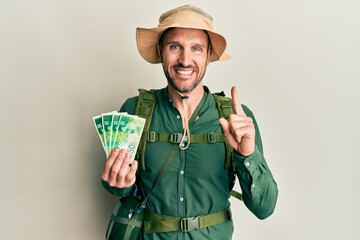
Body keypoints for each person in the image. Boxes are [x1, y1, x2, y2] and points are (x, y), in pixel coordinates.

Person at [101, 4, 278, 240]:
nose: (185, 60)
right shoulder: (134, 111)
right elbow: (119, 189)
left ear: (208, 56)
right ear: (161, 51)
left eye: (196, 49)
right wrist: (117, 182)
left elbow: (265, 208)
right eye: (175, 47)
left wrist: (248, 155)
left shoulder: (237, 118)